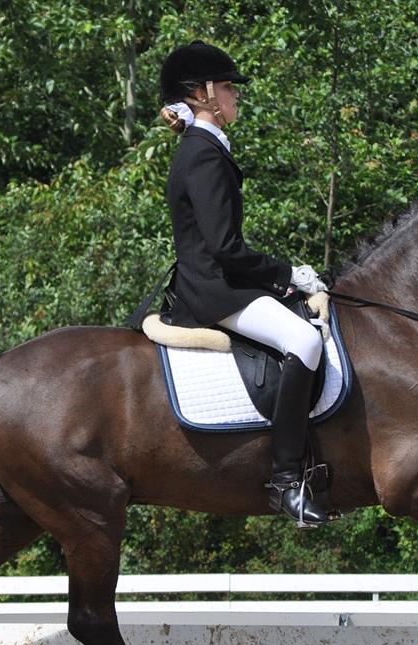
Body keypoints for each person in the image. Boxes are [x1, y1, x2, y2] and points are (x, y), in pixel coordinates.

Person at [156, 41, 339, 528]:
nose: (237, 96)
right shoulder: (202, 154)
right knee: (303, 339)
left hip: (219, 280)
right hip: (213, 288)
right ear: (204, 94)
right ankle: (284, 482)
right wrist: (288, 275)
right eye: (230, 88)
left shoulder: (204, 147)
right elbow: (224, 248)